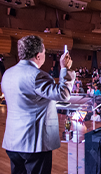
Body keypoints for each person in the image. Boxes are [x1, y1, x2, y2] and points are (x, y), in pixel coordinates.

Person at [1, 35, 75, 174]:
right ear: (38, 55)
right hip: (33, 144)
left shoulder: (7, 74)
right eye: (45, 53)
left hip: (12, 142)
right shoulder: (37, 75)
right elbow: (63, 94)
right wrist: (65, 69)